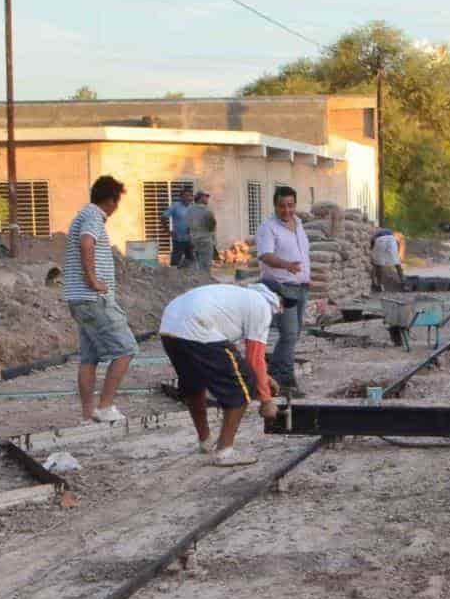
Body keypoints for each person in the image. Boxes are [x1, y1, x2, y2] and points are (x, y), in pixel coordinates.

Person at [160, 282, 281, 467]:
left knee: (193, 383)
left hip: (170, 326)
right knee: (241, 385)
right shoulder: (263, 306)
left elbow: (236, 355)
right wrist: (266, 400)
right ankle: (225, 451)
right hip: (198, 325)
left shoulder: (237, 298)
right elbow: (255, 357)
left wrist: (264, 378)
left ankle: (205, 442)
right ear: (278, 302)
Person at [63, 175, 138, 424]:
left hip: (79, 299)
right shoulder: (94, 217)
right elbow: (87, 243)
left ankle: (88, 415)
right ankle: (105, 407)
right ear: (111, 200)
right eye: (117, 202)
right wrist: (93, 280)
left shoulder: (83, 215)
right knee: (126, 349)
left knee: (89, 358)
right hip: (93, 299)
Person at [255, 186, 311, 397]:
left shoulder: (299, 224)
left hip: (301, 286)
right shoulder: (268, 228)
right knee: (288, 333)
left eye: (290, 205)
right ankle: (286, 381)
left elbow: (303, 254)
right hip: (280, 287)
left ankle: (272, 376)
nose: (286, 210)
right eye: (282, 206)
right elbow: (265, 255)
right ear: (275, 205)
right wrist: (287, 265)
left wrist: (307, 276)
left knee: (294, 334)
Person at [162, 188, 194, 267]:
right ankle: (173, 273)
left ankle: (188, 273)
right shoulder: (175, 206)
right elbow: (163, 217)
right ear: (181, 197)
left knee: (191, 261)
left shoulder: (193, 207)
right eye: (186, 196)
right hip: (178, 239)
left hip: (191, 239)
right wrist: (168, 231)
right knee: (175, 262)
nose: (189, 198)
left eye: (190, 196)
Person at [186, 191, 217, 273]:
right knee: (206, 263)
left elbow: (188, 225)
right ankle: (205, 279)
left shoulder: (189, 209)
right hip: (205, 240)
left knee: (198, 263)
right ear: (200, 198)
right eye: (206, 197)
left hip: (194, 240)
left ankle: (199, 278)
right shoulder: (207, 210)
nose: (207, 199)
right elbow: (212, 225)